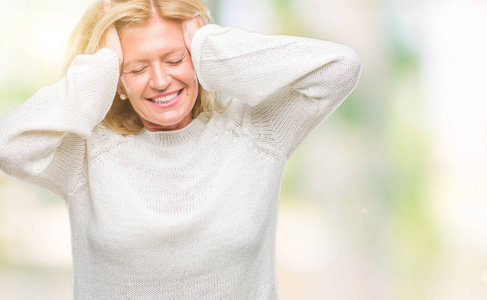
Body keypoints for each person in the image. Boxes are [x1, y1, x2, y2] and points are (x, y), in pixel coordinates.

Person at [0, 0, 362, 298]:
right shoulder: (86, 156)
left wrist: (211, 45)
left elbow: (340, 68)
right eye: (137, 68)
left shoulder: (257, 133)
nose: (160, 81)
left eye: (176, 60)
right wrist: (100, 68)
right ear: (118, 83)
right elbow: (9, 147)